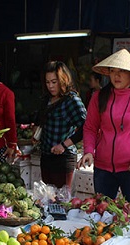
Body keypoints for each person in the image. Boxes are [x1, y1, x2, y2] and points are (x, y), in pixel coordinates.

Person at [77, 49, 130, 213]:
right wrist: (89, 151)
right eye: (113, 71)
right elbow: (90, 127)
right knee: (103, 217)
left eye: (122, 71)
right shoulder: (99, 96)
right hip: (103, 169)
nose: (116, 76)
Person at [33, 61, 87, 189]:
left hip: (63, 159)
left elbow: (86, 127)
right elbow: (40, 120)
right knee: (46, 198)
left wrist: (64, 145)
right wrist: (36, 133)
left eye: (54, 82)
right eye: (47, 82)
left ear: (63, 80)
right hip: (45, 156)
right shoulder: (46, 99)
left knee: (61, 201)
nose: (50, 86)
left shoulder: (71, 100)